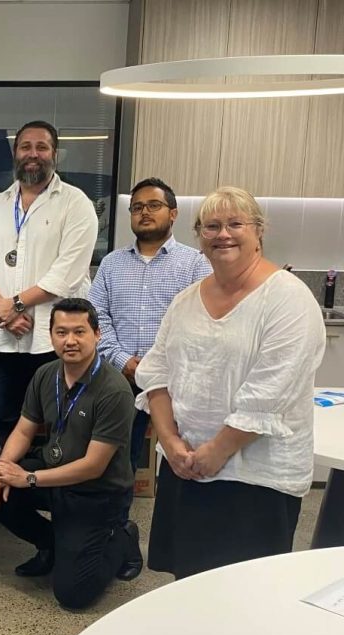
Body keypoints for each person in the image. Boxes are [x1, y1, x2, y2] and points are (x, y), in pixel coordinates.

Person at [135, 186, 325, 580]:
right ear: (199, 237)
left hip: (254, 479)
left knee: (244, 592)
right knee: (188, 584)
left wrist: (217, 451)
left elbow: (270, 392)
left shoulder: (288, 299)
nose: (223, 234)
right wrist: (169, 442)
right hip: (186, 468)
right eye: (212, 226)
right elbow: (156, 372)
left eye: (236, 224)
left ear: (259, 231)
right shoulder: (186, 301)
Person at [0, 298, 142, 609]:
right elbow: (24, 430)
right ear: (51, 335)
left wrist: (28, 478)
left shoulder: (114, 390)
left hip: (96, 492)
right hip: (52, 473)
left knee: (73, 595)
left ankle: (122, 538)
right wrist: (1, 468)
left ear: (97, 334)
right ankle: (51, 544)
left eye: (79, 332)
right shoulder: (46, 374)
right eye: (61, 332)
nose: (70, 340)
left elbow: (93, 466)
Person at [88, 177, 211, 518]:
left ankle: (174, 526)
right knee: (117, 459)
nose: (144, 212)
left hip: (173, 380)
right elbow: (96, 318)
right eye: (137, 207)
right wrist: (124, 361)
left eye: (153, 205)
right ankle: (113, 527)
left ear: (173, 213)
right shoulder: (112, 264)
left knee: (181, 455)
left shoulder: (195, 264)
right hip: (118, 379)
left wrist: (156, 367)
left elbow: (201, 322)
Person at [0, 120, 98, 447]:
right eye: (26, 147)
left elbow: (66, 274)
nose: (33, 154)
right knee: (5, 420)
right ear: (15, 153)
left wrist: (14, 305)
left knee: (59, 424)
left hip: (52, 340)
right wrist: (5, 312)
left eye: (42, 147)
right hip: (2, 338)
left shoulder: (76, 204)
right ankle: (6, 478)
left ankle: (51, 480)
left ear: (55, 154)